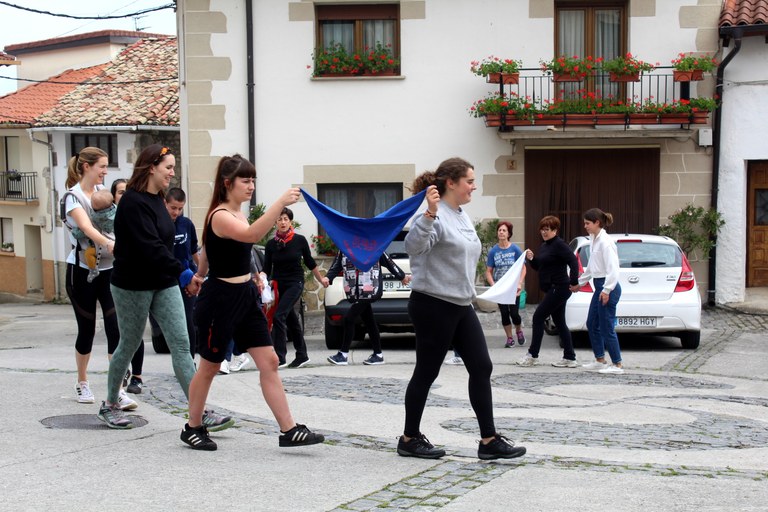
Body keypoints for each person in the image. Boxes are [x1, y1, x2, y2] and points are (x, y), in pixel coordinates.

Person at [184, 154, 325, 451]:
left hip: (245, 296)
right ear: (228, 183)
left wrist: (201, 274)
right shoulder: (220, 215)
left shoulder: (237, 213)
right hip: (220, 300)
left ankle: (289, 430)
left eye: (253, 180)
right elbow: (251, 235)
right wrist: (280, 202)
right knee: (210, 366)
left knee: (269, 361)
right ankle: (192, 427)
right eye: (245, 180)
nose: (251, 186)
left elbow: (210, 249)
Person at [97, 144, 232, 433]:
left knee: (182, 344)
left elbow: (165, 246)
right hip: (132, 285)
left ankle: (199, 411)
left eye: (173, 167)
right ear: (151, 168)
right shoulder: (131, 203)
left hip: (163, 281)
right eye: (168, 167)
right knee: (129, 343)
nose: (172, 172)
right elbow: (151, 247)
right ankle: (110, 403)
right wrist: (184, 274)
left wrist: (183, 273)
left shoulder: (158, 198)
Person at [398, 157, 526, 461]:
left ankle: (488, 441)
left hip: (460, 304)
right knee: (426, 372)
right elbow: (413, 247)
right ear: (451, 183)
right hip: (433, 303)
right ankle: (409, 438)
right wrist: (429, 213)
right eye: (469, 181)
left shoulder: (461, 214)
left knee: (481, 366)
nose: (474, 186)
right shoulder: (433, 213)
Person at [63, 147, 135, 411]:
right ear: (87, 167)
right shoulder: (72, 197)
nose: (106, 171)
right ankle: (82, 382)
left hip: (110, 271)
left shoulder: (103, 194)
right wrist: (110, 243)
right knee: (87, 330)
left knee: (115, 328)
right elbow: (85, 227)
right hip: (82, 271)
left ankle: (118, 390)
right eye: (102, 166)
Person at [262, 207, 329, 368]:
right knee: (292, 319)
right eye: (279, 219)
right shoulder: (271, 245)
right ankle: (302, 355)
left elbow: (310, 262)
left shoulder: (299, 240)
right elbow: (266, 268)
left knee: (279, 316)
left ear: (290, 221)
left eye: (286, 219)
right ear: (275, 222)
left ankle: (280, 357)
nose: (283, 222)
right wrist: (260, 278)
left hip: (295, 283)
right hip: (279, 285)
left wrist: (321, 279)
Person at [325, 251, 410, 365]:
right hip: (354, 291)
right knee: (369, 321)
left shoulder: (373, 246)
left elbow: (388, 262)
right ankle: (378, 355)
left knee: (349, 319)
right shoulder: (344, 248)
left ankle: (343, 354)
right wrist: (328, 278)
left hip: (369, 289)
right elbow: (337, 265)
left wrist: (401, 276)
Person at [517, 215, 579, 368]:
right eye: (542, 229)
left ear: (555, 230)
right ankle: (570, 357)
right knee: (560, 322)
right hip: (553, 288)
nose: (544, 232)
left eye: (547, 229)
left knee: (538, 317)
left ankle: (532, 355)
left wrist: (574, 282)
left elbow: (573, 261)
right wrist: (532, 259)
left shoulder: (559, 244)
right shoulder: (545, 246)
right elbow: (539, 266)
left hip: (559, 288)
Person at [148, 187, 200, 360]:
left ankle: (189, 361)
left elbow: (193, 251)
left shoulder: (186, 224)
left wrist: (201, 273)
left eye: (180, 208)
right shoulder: (157, 223)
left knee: (188, 319)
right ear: (165, 204)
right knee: (172, 321)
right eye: (173, 208)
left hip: (187, 278)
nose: (176, 212)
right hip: (165, 278)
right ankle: (177, 357)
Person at [571, 208, 624, 374]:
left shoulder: (605, 242)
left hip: (608, 287)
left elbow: (613, 269)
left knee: (606, 326)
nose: (585, 226)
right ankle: (600, 360)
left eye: (587, 223)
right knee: (592, 323)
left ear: (597, 223)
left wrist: (607, 290)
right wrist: (579, 283)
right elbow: (592, 267)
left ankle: (617, 364)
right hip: (600, 286)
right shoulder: (594, 239)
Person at [111, 178, 144, 395]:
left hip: (139, 278)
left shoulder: (137, 212)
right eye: (120, 192)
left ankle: (137, 376)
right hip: (118, 278)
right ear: (114, 196)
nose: (124, 196)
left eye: (126, 191)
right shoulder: (108, 216)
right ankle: (117, 384)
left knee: (136, 331)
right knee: (123, 333)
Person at [484, 221, 526, 348]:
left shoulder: (515, 249)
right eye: (499, 230)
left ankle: (518, 330)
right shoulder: (493, 251)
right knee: (504, 313)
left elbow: (523, 268)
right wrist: (493, 285)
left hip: (513, 287)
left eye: (504, 230)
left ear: (509, 234)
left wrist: (519, 283)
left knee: (514, 314)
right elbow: (488, 271)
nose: (501, 232)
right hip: (500, 288)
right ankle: (509, 338)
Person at [67, 188, 116, 283]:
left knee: (88, 254)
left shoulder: (94, 218)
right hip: (113, 245)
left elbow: (85, 230)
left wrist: (75, 232)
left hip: (100, 246)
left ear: (93, 207)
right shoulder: (117, 211)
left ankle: (93, 270)